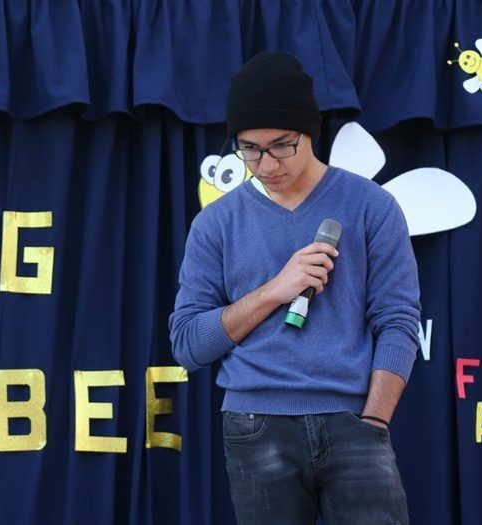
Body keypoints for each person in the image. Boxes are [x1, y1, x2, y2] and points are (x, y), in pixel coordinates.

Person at [169, 51, 420, 524]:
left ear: (310, 131)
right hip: (255, 425)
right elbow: (188, 345)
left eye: (281, 145)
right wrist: (275, 290)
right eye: (249, 148)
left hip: (355, 422)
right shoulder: (215, 224)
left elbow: (398, 321)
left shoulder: (372, 206)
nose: (265, 164)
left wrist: (374, 419)